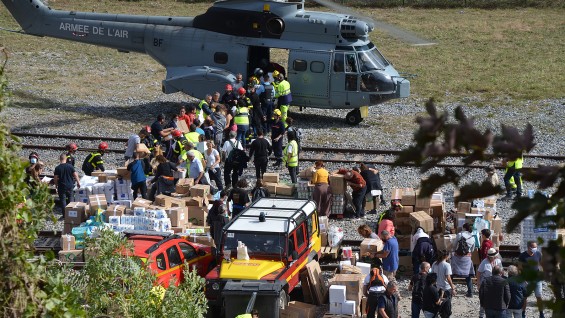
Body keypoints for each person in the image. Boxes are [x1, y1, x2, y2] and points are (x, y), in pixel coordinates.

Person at [518, 241, 545, 318]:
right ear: (528, 247)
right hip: (526, 280)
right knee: (524, 297)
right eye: (533, 247)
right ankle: (523, 314)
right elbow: (520, 268)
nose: (535, 248)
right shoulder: (522, 256)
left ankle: (541, 313)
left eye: (536, 247)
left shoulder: (538, 254)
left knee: (539, 296)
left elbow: (540, 264)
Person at [451, 222, 476, 297]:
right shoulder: (473, 237)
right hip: (467, 257)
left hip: (457, 257)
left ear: (464, 228)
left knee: (452, 273)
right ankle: (470, 292)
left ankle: (450, 290)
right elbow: (472, 249)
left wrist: (453, 251)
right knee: (468, 275)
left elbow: (454, 245)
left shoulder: (460, 235)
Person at [477, 248, 503, 318]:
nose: (495, 258)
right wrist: (478, 283)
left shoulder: (498, 261)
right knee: (484, 300)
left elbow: (501, 271)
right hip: (486, 284)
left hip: (496, 283)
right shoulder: (484, 262)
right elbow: (479, 272)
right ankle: (481, 315)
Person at [432, 250, 455, 317]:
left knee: (437, 303)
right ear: (446, 256)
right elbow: (448, 277)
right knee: (446, 306)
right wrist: (452, 287)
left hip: (436, 287)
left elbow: (432, 275)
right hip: (446, 288)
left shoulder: (434, 263)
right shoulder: (447, 265)